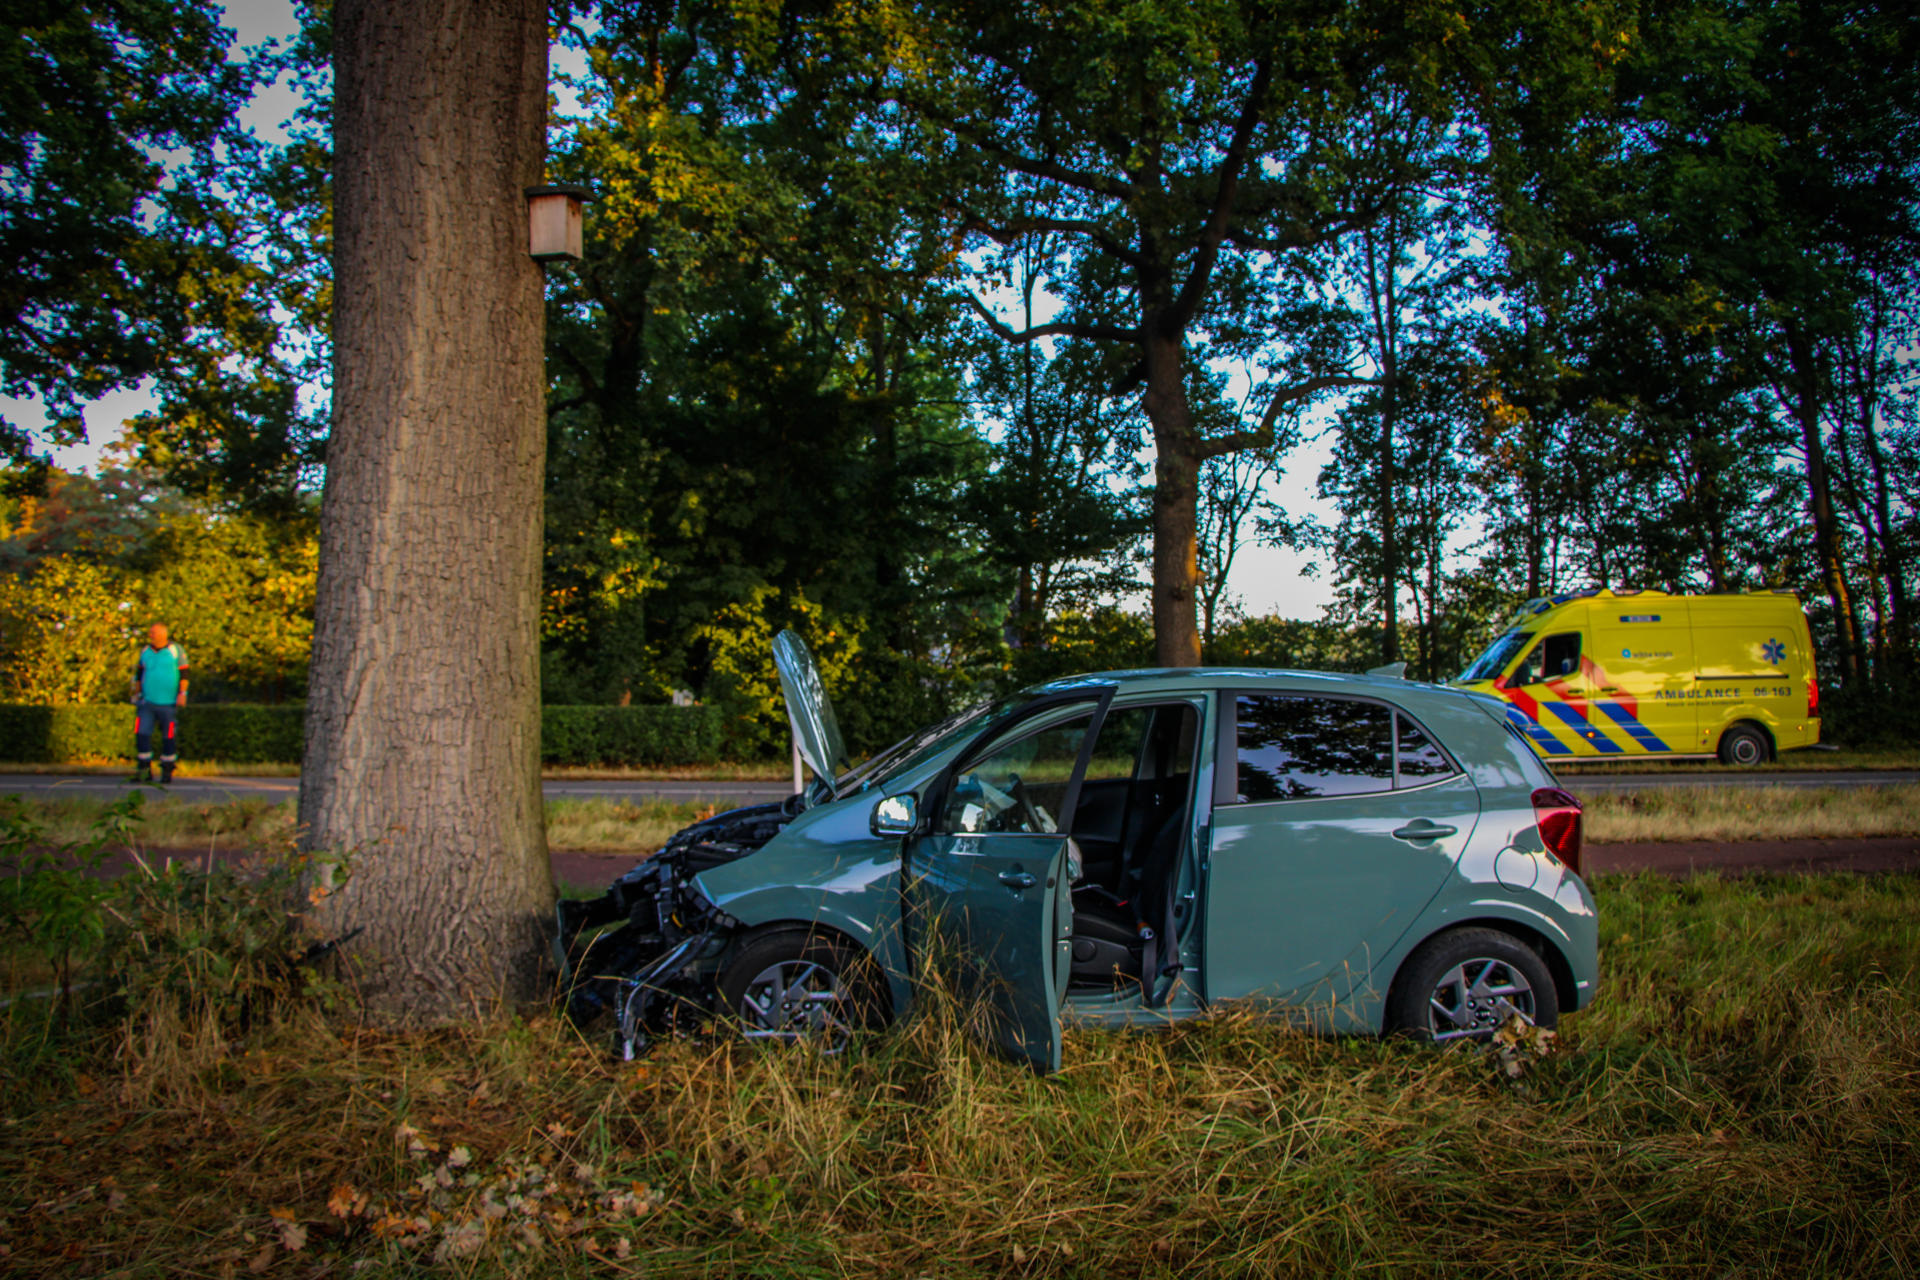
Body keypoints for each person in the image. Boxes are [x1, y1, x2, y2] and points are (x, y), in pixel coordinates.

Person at [130, 623, 190, 785]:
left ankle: (167, 769)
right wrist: (136, 693)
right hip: (147, 702)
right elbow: (139, 673)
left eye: (154, 633)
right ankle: (144, 770)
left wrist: (182, 693)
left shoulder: (175, 650)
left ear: (163, 634)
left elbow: (184, 672)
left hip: (168, 703)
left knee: (168, 735)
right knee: (141, 734)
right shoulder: (145, 651)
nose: (151, 635)